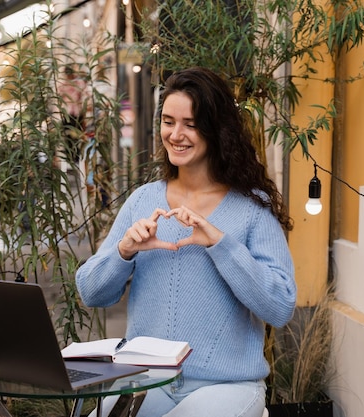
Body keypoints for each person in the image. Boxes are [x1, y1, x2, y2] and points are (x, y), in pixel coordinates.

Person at [75, 67, 297, 417]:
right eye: (168, 121)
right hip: (146, 381)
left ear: (216, 129)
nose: (176, 134)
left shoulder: (252, 208)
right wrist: (124, 252)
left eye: (191, 124)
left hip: (226, 388)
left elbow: (280, 307)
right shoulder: (142, 201)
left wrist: (220, 244)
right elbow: (90, 292)